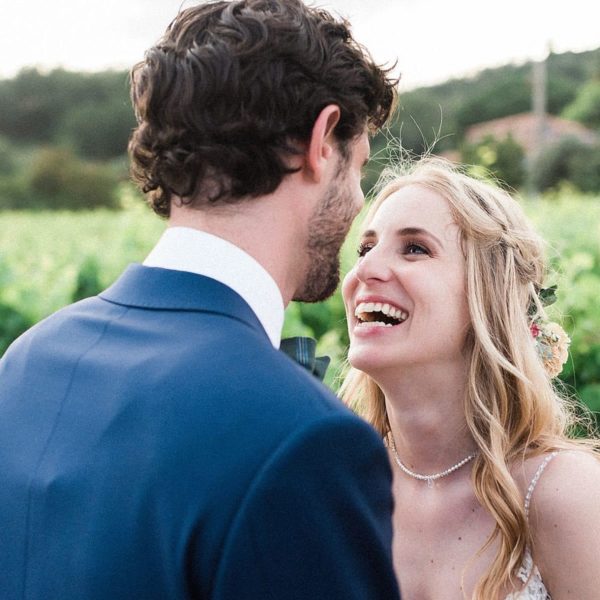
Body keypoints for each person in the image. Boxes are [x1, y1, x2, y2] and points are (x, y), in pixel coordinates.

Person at [0, 1, 401, 598]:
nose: (356, 199)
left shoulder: (27, 362)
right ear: (321, 141)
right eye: (358, 167)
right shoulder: (307, 441)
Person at [341, 157, 600, 599]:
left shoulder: (563, 493)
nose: (364, 271)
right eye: (366, 249)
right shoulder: (338, 485)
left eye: (415, 248)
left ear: (488, 295)